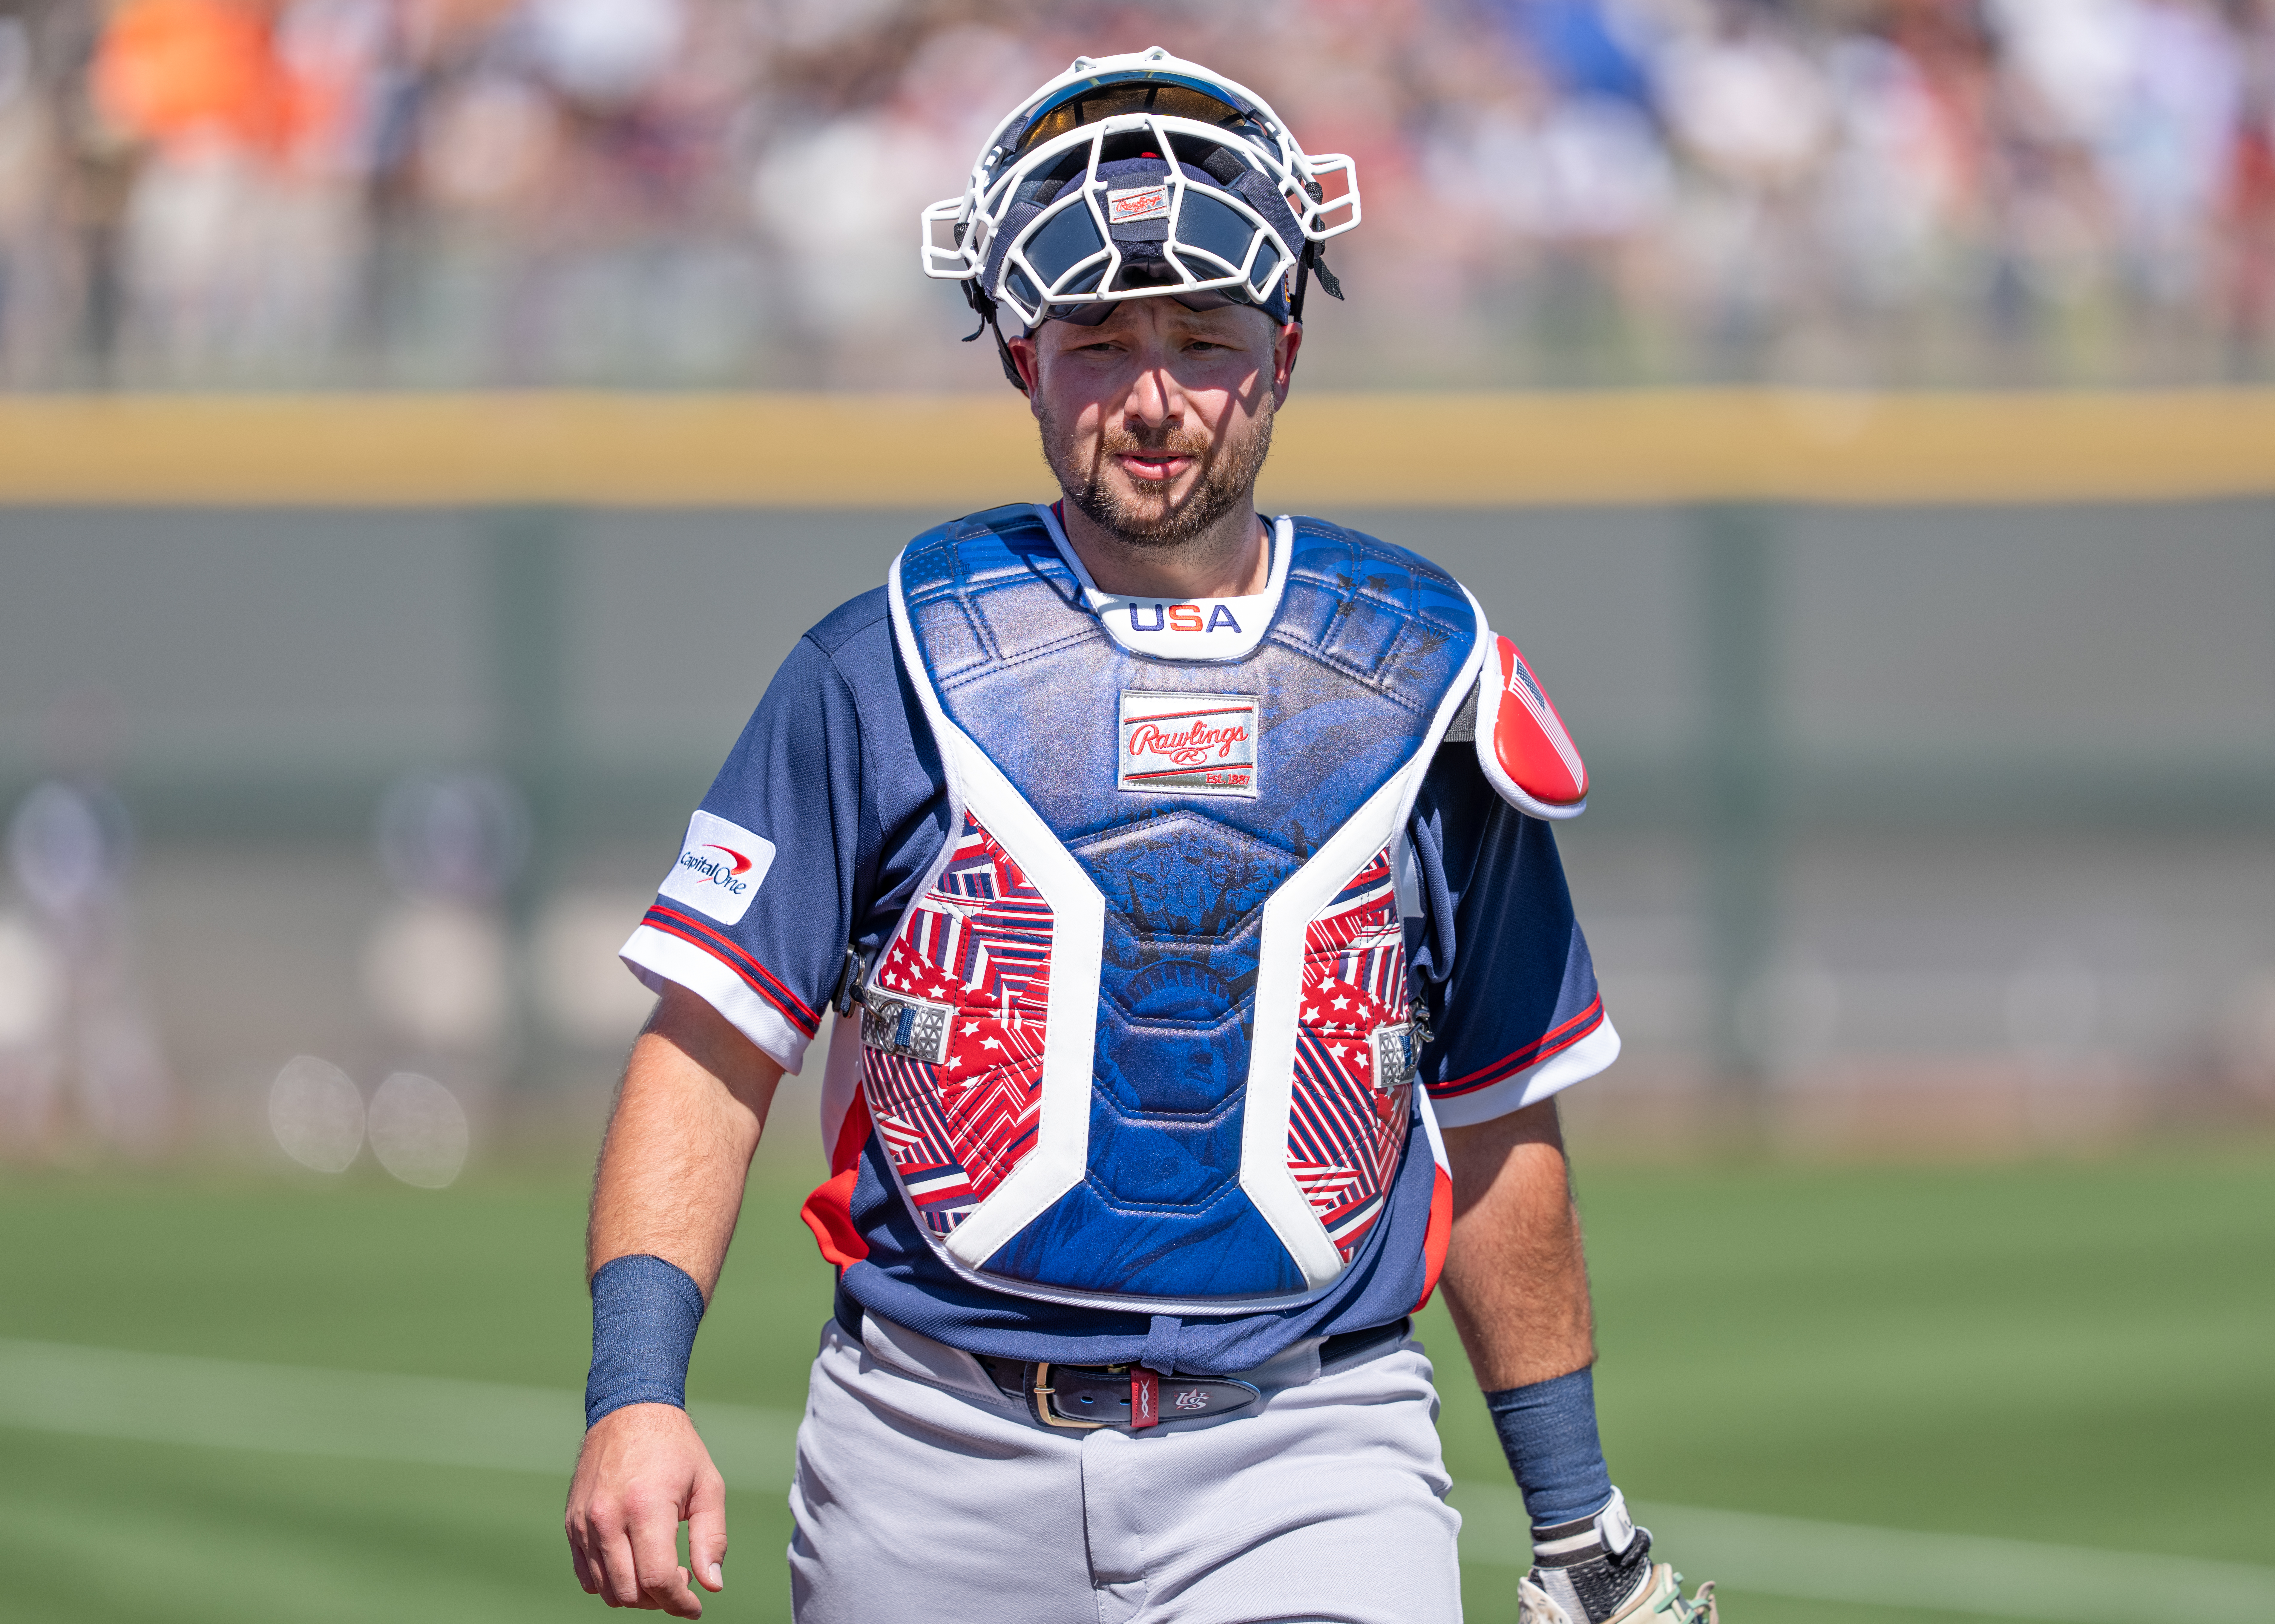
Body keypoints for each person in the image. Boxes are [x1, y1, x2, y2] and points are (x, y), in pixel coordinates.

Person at [563, 46, 1716, 1624]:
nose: (1155, 395)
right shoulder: (884, 663)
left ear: (1285, 353)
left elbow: (1498, 1106)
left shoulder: (1419, 677)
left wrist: (1576, 1516)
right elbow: (709, 1042)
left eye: (1202, 336)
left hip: (1304, 1444)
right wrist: (634, 1389)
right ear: (1021, 361)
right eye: (1099, 341)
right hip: (925, 1444)